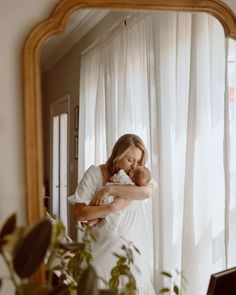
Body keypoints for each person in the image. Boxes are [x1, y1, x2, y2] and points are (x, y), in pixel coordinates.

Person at [72, 134, 156, 294]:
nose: (134, 166)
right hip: (100, 259)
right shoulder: (95, 174)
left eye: (138, 161)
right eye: (130, 160)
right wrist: (112, 207)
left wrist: (109, 189)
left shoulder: (140, 177)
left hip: (133, 263)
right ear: (118, 155)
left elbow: (146, 193)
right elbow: (79, 213)